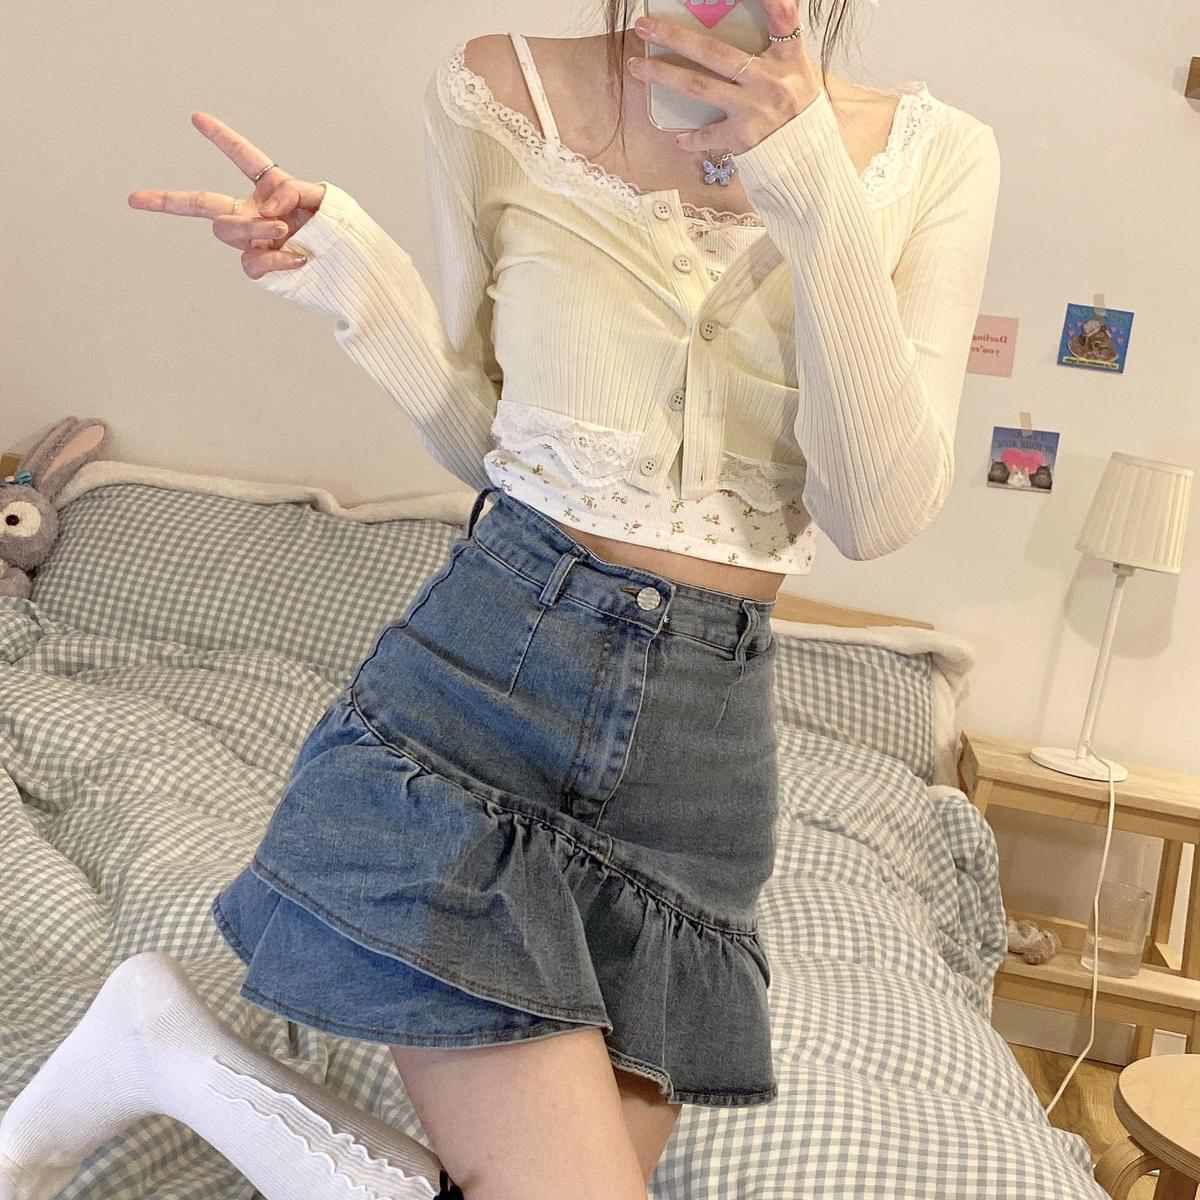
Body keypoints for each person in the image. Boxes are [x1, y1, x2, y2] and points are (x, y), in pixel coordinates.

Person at [0, 3, 1001, 1199]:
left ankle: (165, 1055)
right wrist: (360, 287)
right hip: (488, 681)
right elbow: (499, 448)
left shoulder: (936, 157)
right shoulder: (497, 92)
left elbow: (871, 513)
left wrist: (815, 187)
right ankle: (163, 1056)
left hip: (701, 766)